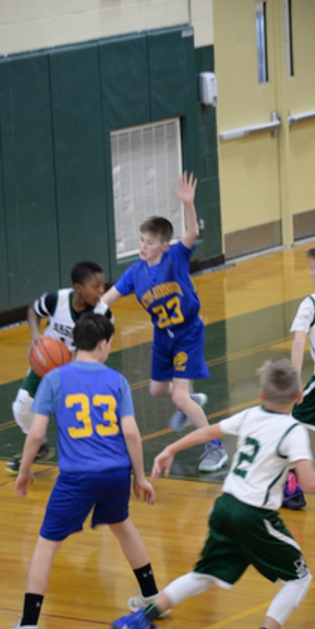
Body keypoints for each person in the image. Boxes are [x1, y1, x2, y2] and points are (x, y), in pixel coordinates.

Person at [111, 358, 315, 629]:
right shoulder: (292, 430)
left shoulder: (251, 414)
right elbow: (310, 483)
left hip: (225, 506)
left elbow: (207, 431)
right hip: (254, 514)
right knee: (300, 578)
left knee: (203, 575)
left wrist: (170, 449)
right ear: (299, 395)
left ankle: (137, 622)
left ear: (262, 394)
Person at [1, 313, 161, 629]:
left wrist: (25, 470)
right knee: (122, 525)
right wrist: (140, 477)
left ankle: (27, 628)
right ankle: (151, 597)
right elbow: (131, 432)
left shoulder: (53, 379)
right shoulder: (117, 380)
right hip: (116, 473)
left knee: (46, 546)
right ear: (102, 344)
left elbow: (36, 434)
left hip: (76, 477)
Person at [101, 172, 227, 473]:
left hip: (187, 333)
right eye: (142, 240)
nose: (143, 246)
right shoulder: (135, 272)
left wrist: (188, 204)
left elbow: (192, 232)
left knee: (178, 395)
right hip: (162, 335)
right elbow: (107, 298)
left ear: (164, 246)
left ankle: (216, 447)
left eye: (151, 242)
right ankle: (190, 399)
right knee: (158, 390)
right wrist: (88, 317)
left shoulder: (176, 258)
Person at [6, 260, 112, 474]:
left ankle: (93, 459)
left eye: (103, 286)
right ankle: (39, 446)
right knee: (21, 408)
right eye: (95, 286)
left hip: (78, 370)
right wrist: (36, 335)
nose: (102, 291)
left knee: (77, 418)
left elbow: (103, 350)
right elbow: (33, 310)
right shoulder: (56, 300)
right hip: (47, 365)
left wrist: (79, 359)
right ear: (78, 287)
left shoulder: (102, 313)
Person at [282, 247, 315, 510]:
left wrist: (295, 382)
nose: (309, 273)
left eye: (312, 269)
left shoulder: (311, 303)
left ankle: (291, 487)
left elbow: (298, 342)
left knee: (289, 425)